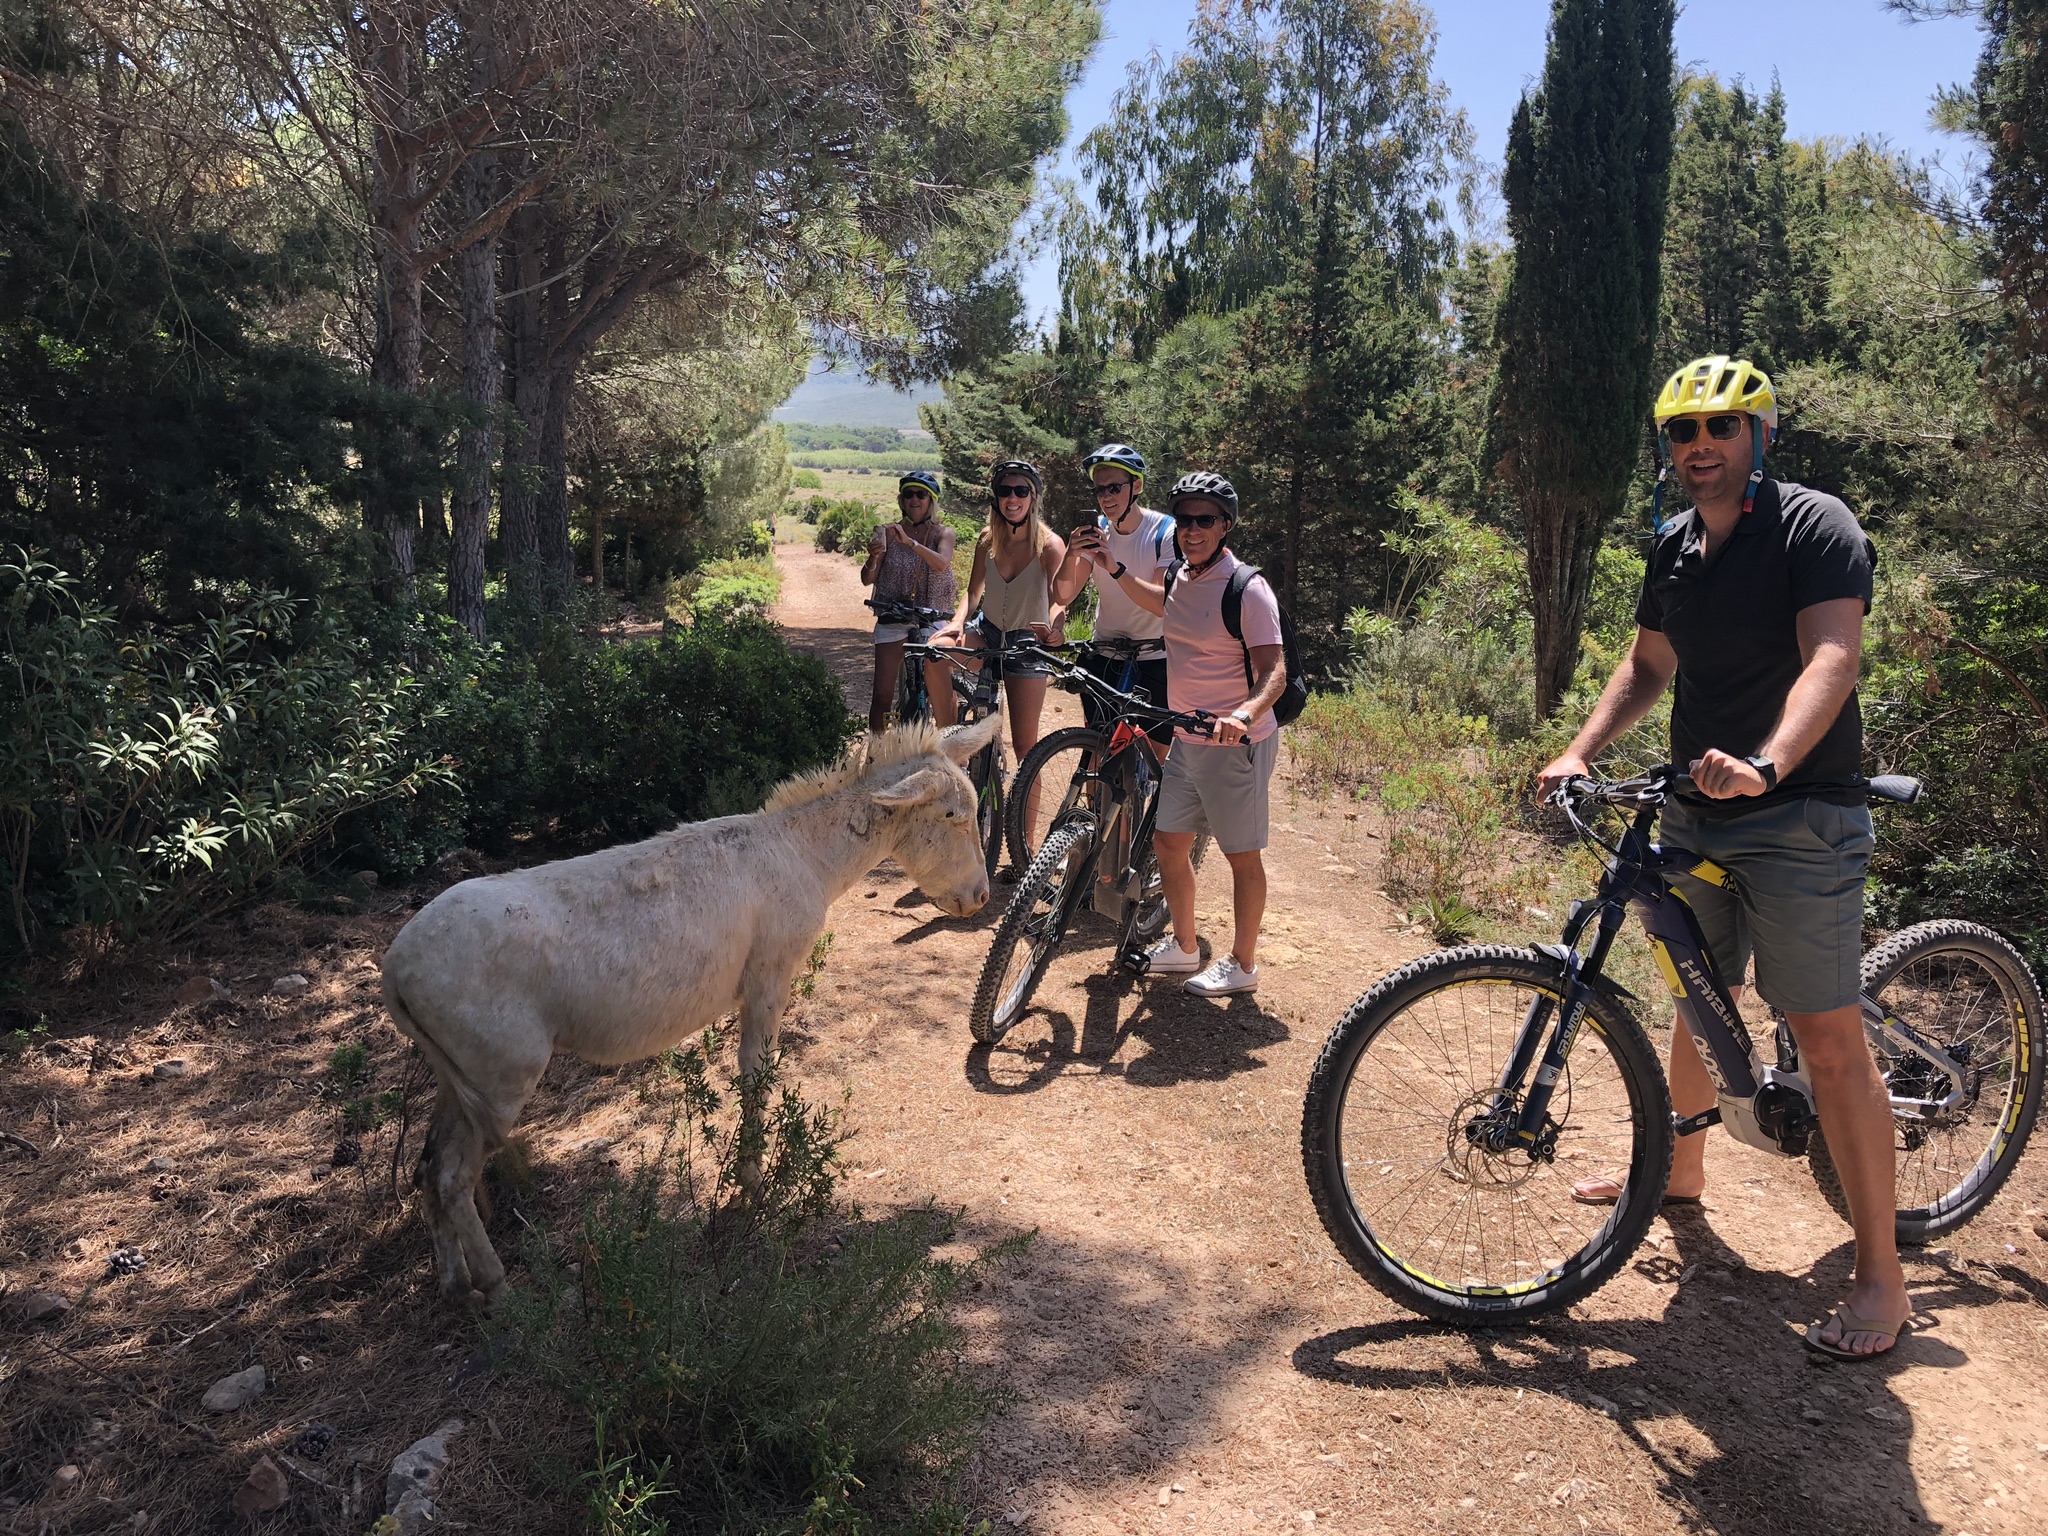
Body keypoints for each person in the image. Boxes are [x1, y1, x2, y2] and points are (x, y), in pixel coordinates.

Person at [1534, 354, 1906, 1361]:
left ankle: (1880, 1278)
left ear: (1758, 437)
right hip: (1698, 807)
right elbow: (1648, 661)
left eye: (1718, 429)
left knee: (1826, 1044)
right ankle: (1679, 1174)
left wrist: (1766, 761)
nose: (1697, 447)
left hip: (1799, 814)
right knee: (1693, 993)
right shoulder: (1673, 548)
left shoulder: (1812, 526)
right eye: (1680, 433)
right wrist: (1580, 748)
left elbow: (1832, 653)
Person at [1078, 471, 1287, 997]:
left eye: (1206, 520)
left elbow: (1274, 670)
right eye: (1186, 520)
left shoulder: (1247, 588)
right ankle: (1186, 947)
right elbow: (1159, 603)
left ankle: (1243, 965)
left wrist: (1243, 714)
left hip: (1233, 744)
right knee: (1170, 844)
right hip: (1187, 738)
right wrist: (1113, 566)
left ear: (1225, 527)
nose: (1192, 529)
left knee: (1242, 856)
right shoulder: (1180, 578)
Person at [934, 461, 1067, 843]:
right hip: (988, 633)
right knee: (934, 653)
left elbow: (1060, 598)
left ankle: (1023, 844)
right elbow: (973, 592)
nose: (1012, 498)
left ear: (1033, 497)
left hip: (1027, 643)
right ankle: (950, 740)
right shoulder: (986, 539)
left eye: (1021, 491)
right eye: (1005, 491)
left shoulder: (1050, 545)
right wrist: (958, 622)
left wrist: (1055, 626)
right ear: (997, 497)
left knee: (1027, 748)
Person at [1048, 443, 1178, 737]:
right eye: (1099, 490)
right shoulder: (1099, 534)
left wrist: (1115, 568)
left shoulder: (1165, 532)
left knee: (1155, 752)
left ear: (1137, 486)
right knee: (1097, 746)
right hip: (1106, 654)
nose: (1105, 497)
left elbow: (1160, 602)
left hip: (1155, 657)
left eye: (1114, 488)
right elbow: (1063, 595)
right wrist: (1071, 555)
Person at [859, 470, 958, 732]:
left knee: (943, 696)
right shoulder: (887, 533)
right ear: (901, 500)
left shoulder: (943, 534)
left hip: (932, 615)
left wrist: (911, 543)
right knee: (882, 695)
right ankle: (877, 754)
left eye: (921, 495)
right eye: (908, 494)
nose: (914, 500)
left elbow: (941, 564)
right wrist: (873, 557)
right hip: (894, 614)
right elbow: (867, 579)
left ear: (931, 501)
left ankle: (950, 754)